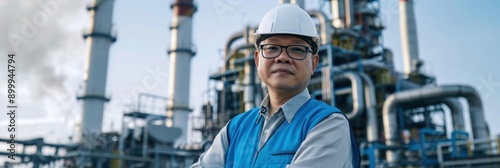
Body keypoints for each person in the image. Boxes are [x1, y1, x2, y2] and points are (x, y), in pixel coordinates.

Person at [191, 3, 360, 168]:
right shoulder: (235, 129)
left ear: (314, 63)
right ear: (257, 59)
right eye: (272, 48)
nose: (283, 57)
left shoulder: (328, 124)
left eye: (297, 49)